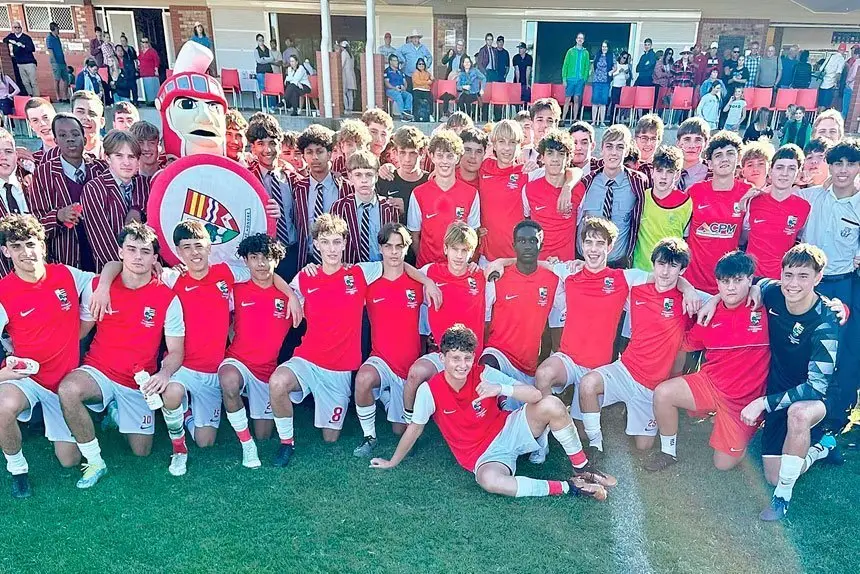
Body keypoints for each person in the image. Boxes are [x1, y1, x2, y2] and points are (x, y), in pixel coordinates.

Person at [371, 323, 616, 501]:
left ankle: (582, 467)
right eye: (455, 358)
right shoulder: (429, 391)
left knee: (552, 405)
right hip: (483, 456)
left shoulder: (482, 374)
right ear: (442, 357)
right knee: (489, 482)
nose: (462, 365)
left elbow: (537, 396)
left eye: (467, 358)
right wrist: (392, 462)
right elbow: (414, 429)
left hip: (510, 430)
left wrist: (500, 388)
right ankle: (570, 486)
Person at [268, 214, 436, 460]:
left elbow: (397, 262)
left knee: (330, 437)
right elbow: (270, 277)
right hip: (308, 359)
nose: (332, 248)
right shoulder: (305, 277)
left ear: (345, 243)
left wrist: (427, 281)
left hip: (339, 369)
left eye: (337, 242)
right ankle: (286, 444)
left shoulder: (360, 273)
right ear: (316, 244)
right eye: (325, 242)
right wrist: (292, 296)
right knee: (277, 383)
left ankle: (387, 397)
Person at [57, 222, 185, 489]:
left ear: (154, 258)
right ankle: (95, 461)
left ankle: (114, 412)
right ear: (120, 252)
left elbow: (176, 351)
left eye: (145, 251)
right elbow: (79, 332)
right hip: (99, 370)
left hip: (137, 381)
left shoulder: (167, 297)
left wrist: (163, 373)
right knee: (68, 389)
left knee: (141, 450)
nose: (138, 256)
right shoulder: (98, 287)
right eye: (131, 249)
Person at [0, 214, 106, 498]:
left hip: (63, 382)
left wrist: (103, 287)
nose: (26, 252)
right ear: (6, 251)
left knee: (69, 461)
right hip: (28, 378)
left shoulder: (66, 274)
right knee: (1, 406)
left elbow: (105, 274)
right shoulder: (3, 292)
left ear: (43, 246)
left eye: (31, 244)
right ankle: (17, 469)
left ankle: (86, 424)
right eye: (17, 246)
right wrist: (4, 373)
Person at [645, 251, 770, 472]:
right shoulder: (707, 314)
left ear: (750, 279)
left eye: (738, 280)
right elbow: (683, 344)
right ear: (718, 283)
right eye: (725, 282)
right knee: (663, 393)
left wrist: (840, 308)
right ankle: (668, 452)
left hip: (743, 399)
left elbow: (794, 291)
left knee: (723, 464)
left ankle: (743, 425)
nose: (730, 287)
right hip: (710, 384)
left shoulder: (764, 305)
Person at [578, 238, 700, 454]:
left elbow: (723, 299)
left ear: (682, 270)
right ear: (653, 264)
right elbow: (602, 274)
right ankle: (595, 445)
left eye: (673, 266)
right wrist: (577, 265)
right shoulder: (637, 286)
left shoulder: (689, 299)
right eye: (661, 264)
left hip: (652, 386)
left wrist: (690, 289)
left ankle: (631, 410)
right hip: (625, 370)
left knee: (644, 446)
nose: (665, 271)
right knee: (588, 384)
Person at [792, 139, 860, 443]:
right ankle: (795, 409)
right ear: (829, 166)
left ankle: (833, 417)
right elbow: (778, 196)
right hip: (808, 283)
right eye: (837, 163)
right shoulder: (810, 197)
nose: (843, 170)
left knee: (839, 351)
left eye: (850, 163)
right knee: (803, 345)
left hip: (842, 284)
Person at [218, 233, 293, 468]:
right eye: (254, 257)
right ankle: (247, 446)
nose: (261, 263)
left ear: (277, 260)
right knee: (229, 382)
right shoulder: (235, 290)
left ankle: (265, 433)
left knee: (265, 434)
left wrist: (292, 295)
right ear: (246, 261)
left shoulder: (290, 295)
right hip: (238, 361)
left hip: (267, 372)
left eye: (266, 257)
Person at [402, 221, 487, 420]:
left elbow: (502, 266)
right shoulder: (431, 271)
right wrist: (428, 282)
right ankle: (409, 424)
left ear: (472, 252)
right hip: (441, 355)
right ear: (446, 249)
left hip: (469, 359)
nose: (459, 255)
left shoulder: (480, 276)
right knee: (415, 374)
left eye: (465, 250)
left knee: (469, 418)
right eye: (455, 249)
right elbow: (402, 266)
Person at [351, 223, 424, 455]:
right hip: (380, 359)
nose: (394, 252)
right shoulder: (368, 283)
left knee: (398, 430)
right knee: (363, 379)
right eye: (388, 246)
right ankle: (369, 436)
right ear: (380, 248)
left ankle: (386, 396)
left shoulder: (420, 284)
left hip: (408, 367)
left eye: (399, 246)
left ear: (406, 248)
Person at [481, 220, 564, 406]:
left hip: (528, 367)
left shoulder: (554, 281)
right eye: (522, 241)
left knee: (521, 416)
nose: (527, 246)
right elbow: (485, 323)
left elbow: (557, 326)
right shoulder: (497, 277)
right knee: (485, 368)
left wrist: (554, 361)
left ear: (541, 245)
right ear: (514, 245)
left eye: (533, 241)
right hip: (499, 355)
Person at [29, 113, 107, 270]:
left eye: (75, 134)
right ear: (56, 141)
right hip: (66, 259)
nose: (70, 139)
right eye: (63, 135)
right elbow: (35, 224)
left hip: (102, 256)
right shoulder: (44, 173)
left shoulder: (100, 168)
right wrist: (58, 216)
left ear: (84, 139)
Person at [578, 124, 648, 268]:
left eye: (620, 147)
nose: (614, 153)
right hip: (585, 262)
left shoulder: (638, 182)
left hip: (618, 263)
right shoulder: (586, 182)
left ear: (627, 150)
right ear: (601, 149)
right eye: (609, 146)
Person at [80, 130, 149, 272]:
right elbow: (101, 241)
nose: (126, 162)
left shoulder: (143, 184)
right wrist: (127, 271)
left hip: (145, 269)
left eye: (131, 157)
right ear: (107, 158)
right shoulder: (94, 188)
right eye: (119, 156)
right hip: (113, 270)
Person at [407, 131, 480, 266]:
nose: (445, 161)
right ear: (432, 156)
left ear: (457, 158)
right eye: (440, 156)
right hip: (427, 269)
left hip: (457, 270)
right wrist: (426, 265)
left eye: (450, 156)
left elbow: (473, 235)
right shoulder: (418, 193)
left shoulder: (471, 194)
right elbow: (414, 236)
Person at [742, 144, 809, 278]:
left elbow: (802, 242)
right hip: (750, 277)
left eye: (791, 168)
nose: (784, 173)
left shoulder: (804, 207)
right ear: (771, 171)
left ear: (798, 173)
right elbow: (742, 238)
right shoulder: (753, 200)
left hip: (782, 280)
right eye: (780, 167)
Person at [245, 114, 298, 277]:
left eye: (272, 143)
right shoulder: (247, 179)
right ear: (253, 148)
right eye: (261, 144)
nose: (267, 150)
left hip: (293, 253)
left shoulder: (292, 177)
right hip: (262, 257)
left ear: (280, 146)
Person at [291, 124, 349, 269]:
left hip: (340, 261)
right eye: (309, 152)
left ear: (330, 153)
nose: (315, 157)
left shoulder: (345, 187)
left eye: (320, 151)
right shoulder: (298, 188)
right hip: (307, 261)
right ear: (303, 155)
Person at [522, 129, 585, 261]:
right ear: (542, 157)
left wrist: (567, 188)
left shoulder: (579, 189)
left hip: (567, 266)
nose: (555, 159)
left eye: (561, 154)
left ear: (568, 157)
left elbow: (579, 221)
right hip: (538, 264)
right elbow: (526, 219)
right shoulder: (529, 189)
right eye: (550, 153)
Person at [330, 150, 399, 263]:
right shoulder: (339, 207)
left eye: (369, 174)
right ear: (350, 177)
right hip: (351, 270)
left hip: (381, 269)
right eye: (358, 175)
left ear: (376, 176)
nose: (364, 180)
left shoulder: (388, 207)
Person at [632, 146, 692, 272]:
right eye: (659, 170)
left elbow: (687, 240)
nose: (663, 176)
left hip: (669, 273)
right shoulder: (641, 197)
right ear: (652, 172)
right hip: (640, 270)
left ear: (677, 175)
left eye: (669, 171)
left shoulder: (686, 203)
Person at [478, 120, 529, 261]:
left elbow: (568, 172)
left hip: (516, 256)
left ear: (519, 145)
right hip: (486, 256)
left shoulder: (526, 173)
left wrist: (568, 187)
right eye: (502, 141)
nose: (507, 148)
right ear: (494, 144)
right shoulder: (483, 167)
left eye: (512, 142)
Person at [375, 126, 429, 226]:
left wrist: (407, 207)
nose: (407, 159)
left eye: (412, 153)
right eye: (402, 153)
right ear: (395, 153)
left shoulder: (429, 181)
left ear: (421, 153)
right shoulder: (385, 179)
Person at [561, 33, 590, 125]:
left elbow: (587, 66)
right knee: (567, 99)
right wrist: (564, 78)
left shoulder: (586, 53)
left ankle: (574, 119)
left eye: (582, 38)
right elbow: (565, 65)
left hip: (580, 80)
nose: (580, 40)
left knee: (577, 99)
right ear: (576, 39)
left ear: (583, 40)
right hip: (570, 79)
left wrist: (584, 78)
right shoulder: (570, 51)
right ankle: (563, 119)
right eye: (578, 38)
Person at [675, 117, 711, 190]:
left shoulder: (712, 174)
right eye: (687, 139)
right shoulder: (665, 169)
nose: (692, 145)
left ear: (706, 144)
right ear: (678, 143)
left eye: (698, 140)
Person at [3, 21, 37, 97]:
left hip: (29, 62)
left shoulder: (26, 37)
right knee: (25, 82)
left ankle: (37, 97)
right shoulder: (12, 36)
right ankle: (30, 96)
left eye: (18, 27)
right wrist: (11, 41)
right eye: (15, 27)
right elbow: (5, 40)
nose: (17, 29)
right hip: (20, 63)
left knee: (33, 82)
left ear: (21, 28)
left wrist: (23, 46)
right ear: (13, 29)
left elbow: (32, 48)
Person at [71, 89, 107, 159]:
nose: (86, 117)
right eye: (80, 112)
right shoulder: (60, 157)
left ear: (102, 122)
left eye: (92, 114)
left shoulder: (112, 155)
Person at [24, 98, 57, 167]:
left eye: (46, 117)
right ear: (31, 126)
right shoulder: (33, 162)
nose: (42, 124)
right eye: (35, 120)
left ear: (55, 117)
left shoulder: (77, 149)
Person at [383, 54, 413, 121]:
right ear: (390, 62)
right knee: (398, 95)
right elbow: (386, 83)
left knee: (409, 95)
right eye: (395, 60)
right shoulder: (387, 71)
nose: (397, 62)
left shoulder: (400, 72)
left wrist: (404, 87)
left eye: (397, 60)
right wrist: (394, 88)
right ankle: (403, 115)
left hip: (400, 90)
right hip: (391, 90)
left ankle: (407, 112)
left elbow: (405, 82)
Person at [818, 44, 847, 111]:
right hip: (830, 84)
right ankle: (821, 118)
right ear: (844, 51)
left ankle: (816, 118)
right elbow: (838, 73)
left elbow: (821, 69)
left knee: (820, 103)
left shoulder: (830, 56)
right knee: (825, 104)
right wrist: (837, 83)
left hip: (822, 83)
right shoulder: (841, 59)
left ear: (838, 49)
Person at [590, 42, 613, 127]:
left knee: (603, 102)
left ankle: (602, 122)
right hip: (596, 80)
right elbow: (594, 65)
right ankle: (593, 121)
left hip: (606, 81)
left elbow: (615, 67)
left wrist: (611, 72)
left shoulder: (611, 56)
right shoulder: (598, 55)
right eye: (603, 47)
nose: (604, 48)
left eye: (606, 47)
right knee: (595, 101)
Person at [46, 22, 68, 103]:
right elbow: (50, 50)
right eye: (57, 28)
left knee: (66, 79)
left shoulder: (57, 37)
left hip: (62, 61)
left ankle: (65, 96)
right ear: (54, 29)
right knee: (57, 79)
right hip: (56, 62)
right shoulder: (49, 38)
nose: (58, 30)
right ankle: (59, 97)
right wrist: (54, 61)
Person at [607, 51, 631, 124]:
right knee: (614, 103)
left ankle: (617, 118)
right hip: (615, 86)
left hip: (622, 87)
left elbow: (627, 78)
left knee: (620, 104)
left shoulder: (626, 65)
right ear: (620, 56)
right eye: (623, 57)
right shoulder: (616, 64)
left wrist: (626, 73)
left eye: (626, 58)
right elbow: (612, 74)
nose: (624, 60)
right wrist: (618, 72)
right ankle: (612, 120)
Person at [254, 34, 275, 108]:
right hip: (260, 72)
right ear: (257, 41)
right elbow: (259, 60)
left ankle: (271, 106)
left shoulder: (267, 49)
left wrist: (264, 59)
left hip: (268, 71)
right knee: (262, 89)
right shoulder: (256, 50)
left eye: (262, 40)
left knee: (270, 89)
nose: (261, 42)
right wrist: (267, 59)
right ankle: (264, 106)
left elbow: (272, 58)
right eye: (260, 40)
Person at [138, 37, 160, 104]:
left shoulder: (152, 51)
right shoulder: (141, 52)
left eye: (146, 42)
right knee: (146, 88)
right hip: (143, 73)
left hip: (151, 73)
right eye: (143, 42)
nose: (145, 44)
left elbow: (157, 60)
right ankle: (148, 101)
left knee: (152, 87)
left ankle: (154, 101)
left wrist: (156, 70)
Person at [118, 35, 139, 105]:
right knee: (127, 86)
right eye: (121, 41)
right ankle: (129, 101)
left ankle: (136, 101)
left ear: (126, 41)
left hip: (132, 69)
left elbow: (135, 59)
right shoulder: (121, 50)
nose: (122, 42)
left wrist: (136, 69)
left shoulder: (131, 49)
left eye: (123, 41)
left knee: (134, 86)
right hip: (125, 71)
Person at [339, 40, 357, 113]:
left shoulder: (344, 53)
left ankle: (346, 108)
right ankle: (351, 108)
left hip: (345, 75)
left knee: (344, 92)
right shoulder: (351, 54)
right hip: (351, 75)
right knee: (350, 93)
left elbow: (342, 64)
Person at [842, 46, 860, 119]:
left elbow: (853, 74)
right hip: (856, 89)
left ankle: (841, 123)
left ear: (857, 54)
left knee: (845, 107)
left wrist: (847, 81)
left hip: (850, 86)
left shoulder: (857, 62)